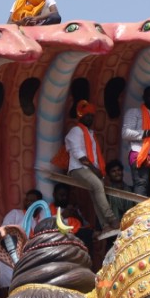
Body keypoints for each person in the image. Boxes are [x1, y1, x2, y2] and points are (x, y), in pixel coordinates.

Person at [63, 100, 116, 237]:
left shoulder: (90, 133)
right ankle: (112, 219)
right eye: (87, 115)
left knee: (95, 193)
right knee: (98, 186)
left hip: (89, 169)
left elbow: (94, 157)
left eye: (92, 115)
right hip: (78, 169)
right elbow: (78, 153)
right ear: (81, 116)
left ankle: (105, 226)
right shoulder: (76, 130)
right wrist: (94, 169)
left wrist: (98, 170)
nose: (90, 118)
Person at [0, 189, 44, 288]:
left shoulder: (41, 220)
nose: (29, 203)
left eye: (32, 201)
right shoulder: (15, 214)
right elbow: (3, 231)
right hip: (11, 257)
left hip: (32, 260)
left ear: (39, 204)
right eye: (27, 200)